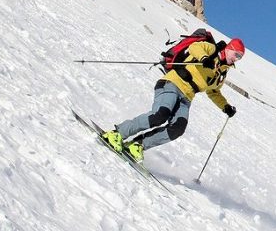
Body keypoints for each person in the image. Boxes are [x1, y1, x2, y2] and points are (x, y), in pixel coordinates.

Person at [101, 37, 245, 162]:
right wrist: (204, 58)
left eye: (240, 57)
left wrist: (225, 106)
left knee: (178, 128)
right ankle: (116, 134)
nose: (236, 58)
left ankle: (137, 145)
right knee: (160, 115)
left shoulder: (222, 72)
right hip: (173, 83)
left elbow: (213, 91)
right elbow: (195, 47)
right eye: (236, 54)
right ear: (229, 48)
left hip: (187, 97)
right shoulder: (211, 49)